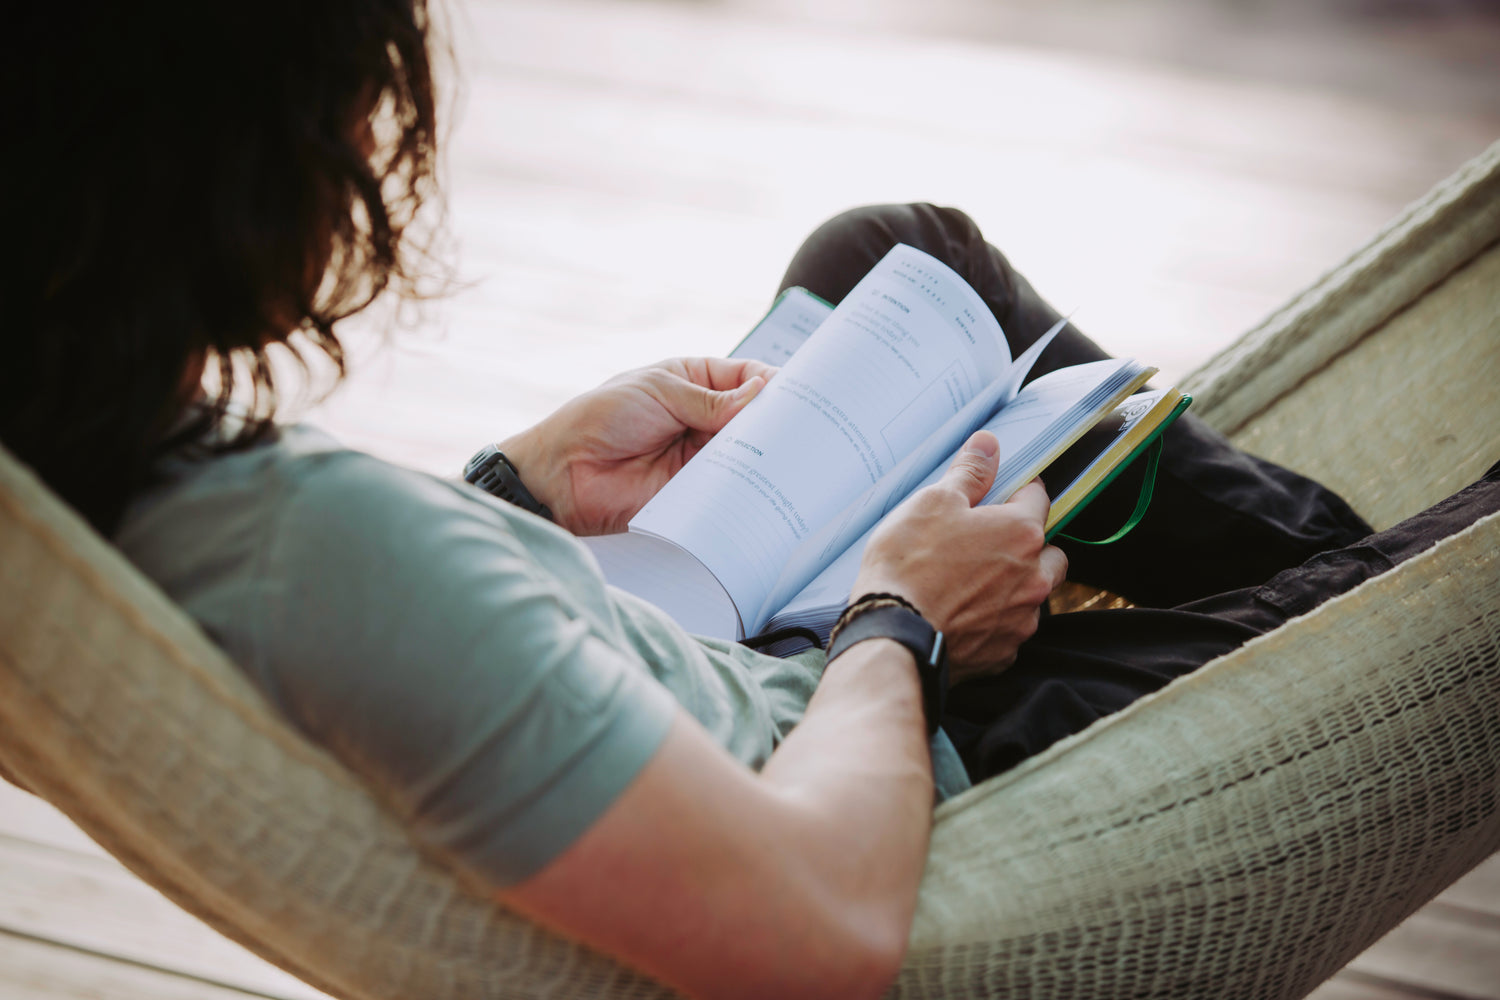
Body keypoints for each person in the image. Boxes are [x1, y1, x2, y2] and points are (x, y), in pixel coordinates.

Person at [8, 3, 1498, 999]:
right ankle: (1336, 603)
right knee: (1468, 570)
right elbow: (821, 929)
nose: (361, 159)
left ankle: (1320, 582)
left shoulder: (90, 474)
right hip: (910, 772)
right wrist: (903, 618)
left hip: (728, 662)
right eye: (343, 118)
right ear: (227, 179)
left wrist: (522, 487)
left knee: (896, 253)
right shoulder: (310, 549)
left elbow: (407, 653)